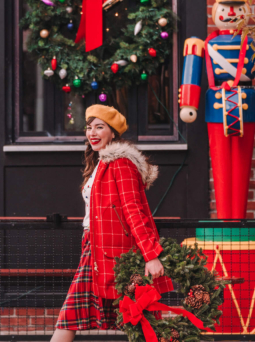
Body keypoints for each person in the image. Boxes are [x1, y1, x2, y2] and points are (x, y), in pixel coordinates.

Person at [50, 104, 173, 342]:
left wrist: (150, 255)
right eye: (89, 128)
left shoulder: (121, 163)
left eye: (100, 127)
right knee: (133, 319)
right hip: (95, 248)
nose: (92, 133)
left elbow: (133, 211)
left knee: (138, 318)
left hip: (117, 253)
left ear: (113, 132)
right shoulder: (101, 164)